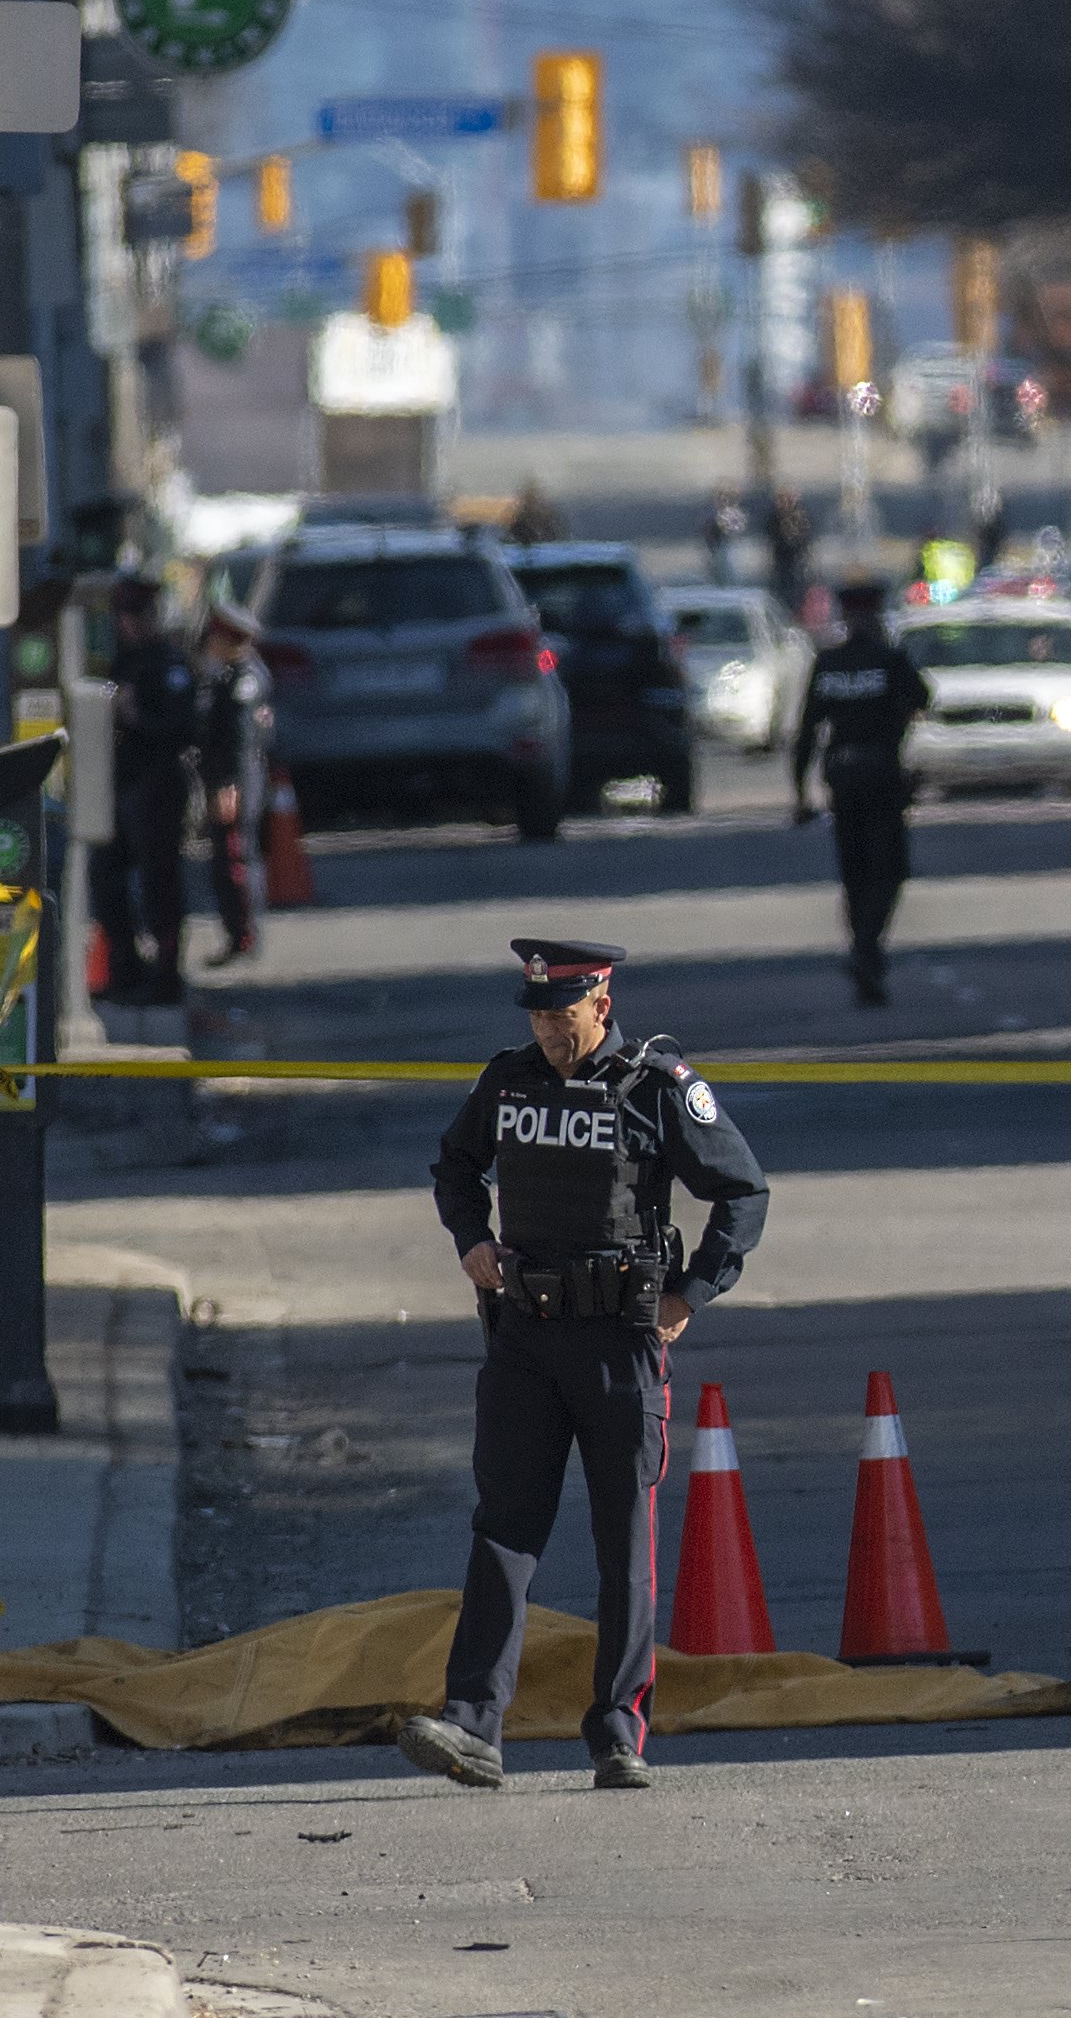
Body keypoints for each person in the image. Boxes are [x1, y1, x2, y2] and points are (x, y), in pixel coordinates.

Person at [391, 939, 769, 1793]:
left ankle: (617, 1735)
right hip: (525, 1337)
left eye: (561, 1018)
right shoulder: (510, 1081)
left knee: (620, 1545)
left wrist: (691, 1294)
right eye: (537, 1017)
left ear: (601, 1004)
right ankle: (472, 1727)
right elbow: (454, 1165)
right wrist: (472, 1240)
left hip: (618, 1344)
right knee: (503, 1532)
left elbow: (743, 1192)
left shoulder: (657, 1088)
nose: (548, 1033)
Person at [787, 585, 934, 1004]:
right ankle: (867, 946)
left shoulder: (829, 664)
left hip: (843, 777)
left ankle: (863, 949)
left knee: (855, 874)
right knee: (888, 870)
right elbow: (923, 698)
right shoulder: (889, 660)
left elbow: (807, 733)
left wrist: (800, 793)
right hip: (882, 777)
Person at [95, 577, 198, 1007]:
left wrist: (133, 714)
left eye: (138, 615)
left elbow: (178, 729)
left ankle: (167, 973)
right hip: (122, 782)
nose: (131, 624)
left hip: (158, 783)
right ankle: (126, 966)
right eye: (125, 616)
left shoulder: (167, 662)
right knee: (107, 877)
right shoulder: (122, 662)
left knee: (160, 881)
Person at [194, 599, 274, 963]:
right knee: (226, 859)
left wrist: (229, 785)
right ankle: (236, 932)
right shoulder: (227, 676)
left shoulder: (245, 681)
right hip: (226, 776)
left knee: (237, 858)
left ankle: (244, 934)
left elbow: (240, 740)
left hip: (236, 779)